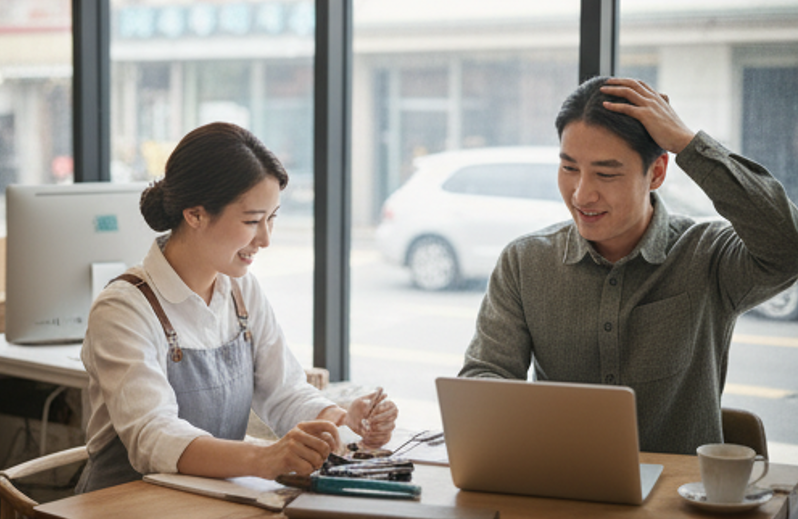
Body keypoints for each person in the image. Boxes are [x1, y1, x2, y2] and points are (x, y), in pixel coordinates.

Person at [459, 76, 798, 455]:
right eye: (569, 168)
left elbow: (788, 246)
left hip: (678, 505)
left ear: (656, 173)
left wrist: (688, 144)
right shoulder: (525, 261)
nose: (581, 194)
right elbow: (484, 377)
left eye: (606, 174)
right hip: (563, 491)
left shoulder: (707, 254)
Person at [77, 122, 398, 493]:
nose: (265, 239)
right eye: (252, 221)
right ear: (195, 214)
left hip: (208, 501)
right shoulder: (123, 309)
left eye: (272, 218)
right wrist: (265, 459)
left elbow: (285, 392)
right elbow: (154, 437)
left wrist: (342, 420)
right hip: (124, 506)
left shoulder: (241, 290)